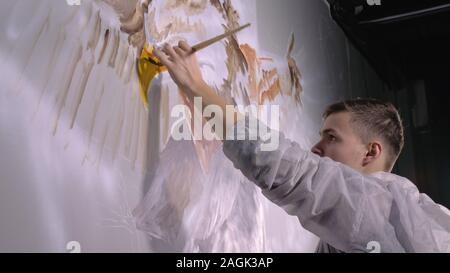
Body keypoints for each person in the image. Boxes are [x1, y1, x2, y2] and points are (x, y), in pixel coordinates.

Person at [153, 41, 450, 252]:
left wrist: (197, 87)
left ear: (371, 152)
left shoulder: (385, 206)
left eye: (332, 138)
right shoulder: (346, 236)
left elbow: (290, 170)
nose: (315, 148)